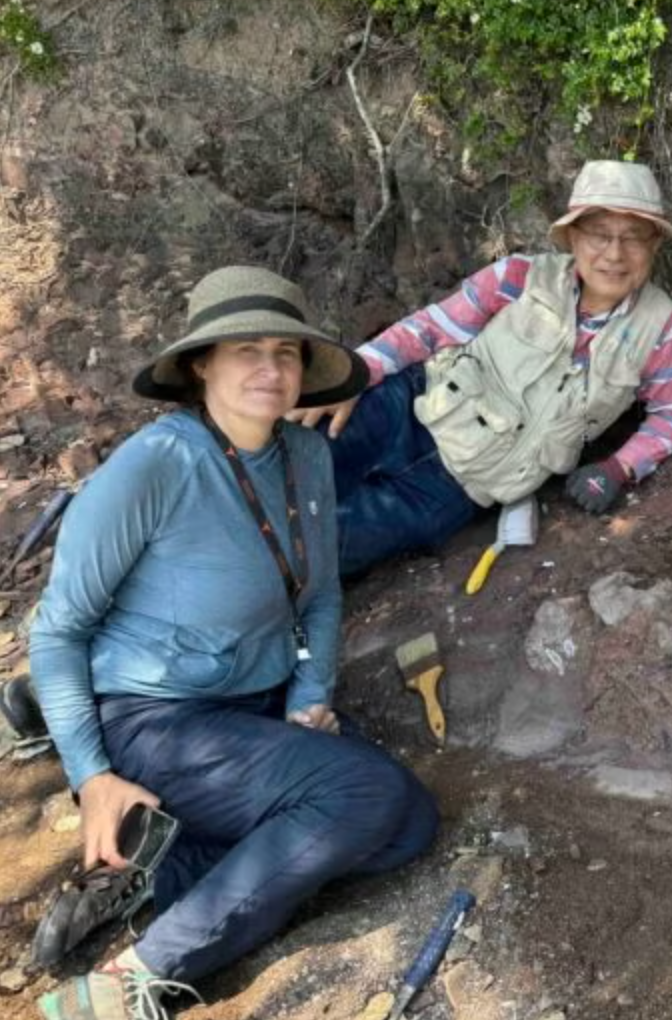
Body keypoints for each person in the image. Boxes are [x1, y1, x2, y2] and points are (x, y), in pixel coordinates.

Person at [29, 267, 438, 1019]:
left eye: (285, 352)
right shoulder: (156, 465)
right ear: (200, 364)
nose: (270, 368)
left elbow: (320, 593)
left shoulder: (305, 456)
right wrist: (91, 777)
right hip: (153, 718)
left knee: (408, 827)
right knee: (364, 794)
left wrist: (309, 698)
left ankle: (164, 865)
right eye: (246, 349)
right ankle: (135, 979)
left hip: (255, 705)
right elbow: (58, 630)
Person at [290, 160, 672, 581]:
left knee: (317, 551)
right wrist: (356, 376)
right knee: (285, 468)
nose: (614, 254)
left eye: (634, 237)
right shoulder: (519, 276)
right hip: (409, 408)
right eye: (600, 234)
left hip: (457, 489)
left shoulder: (665, 330)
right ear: (574, 237)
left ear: (655, 244)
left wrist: (619, 467)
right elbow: (431, 328)